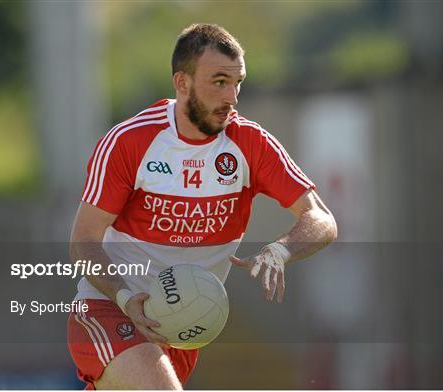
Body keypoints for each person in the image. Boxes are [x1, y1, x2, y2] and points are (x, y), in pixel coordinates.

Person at [67, 23, 337, 390]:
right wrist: (126, 297)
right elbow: (83, 239)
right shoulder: (130, 141)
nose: (232, 97)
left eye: (237, 82)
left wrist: (280, 250)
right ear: (182, 82)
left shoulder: (251, 143)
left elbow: (321, 218)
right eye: (219, 82)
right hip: (111, 308)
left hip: (180, 328)